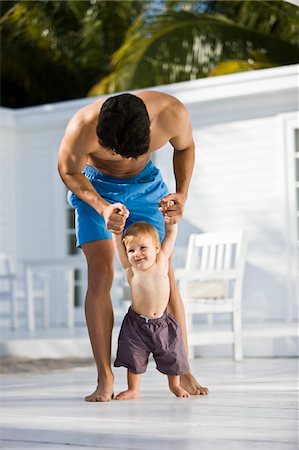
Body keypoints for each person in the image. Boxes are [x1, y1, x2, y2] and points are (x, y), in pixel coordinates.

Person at [58, 91, 209, 402]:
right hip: (94, 188)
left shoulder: (171, 113)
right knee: (101, 274)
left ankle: (183, 368)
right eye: (116, 151)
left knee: (163, 276)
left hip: (146, 187)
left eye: (135, 151)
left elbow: (186, 146)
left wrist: (182, 194)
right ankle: (105, 376)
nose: (125, 158)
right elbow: (68, 170)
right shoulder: (82, 126)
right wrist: (101, 207)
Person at [113, 220, 190, 400]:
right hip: (136, 325)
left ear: (156, 248)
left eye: (142, 248)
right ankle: (133, 389)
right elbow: (118, 248)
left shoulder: (162, 261)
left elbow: (170, 236)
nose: (136, 254)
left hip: (163, 323)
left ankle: (175, 385)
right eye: (131, 250)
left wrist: (171, 224)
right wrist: (115, 233)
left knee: (173, 354)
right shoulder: (131, 270)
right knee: (133, 357)